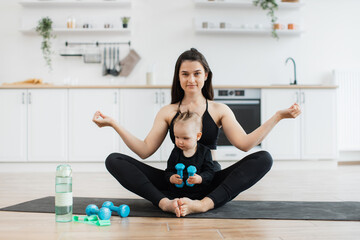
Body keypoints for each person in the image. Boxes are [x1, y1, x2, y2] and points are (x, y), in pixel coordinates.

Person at [93, 48, 301, 217]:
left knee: (264, 158)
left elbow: (245, 144)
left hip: (209, 183)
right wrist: (114, 124)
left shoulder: (219, 110)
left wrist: (278, 116)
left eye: (197, 73)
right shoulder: (168, 111)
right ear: (178, 77)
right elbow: (145, 150)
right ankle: (165, 203)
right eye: (185, 74)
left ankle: (203, 205)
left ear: (206, 76)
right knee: (114, 160)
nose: (191, 79)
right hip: (173, 182)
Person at [165, 110, 215, 196]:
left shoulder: (204, 152)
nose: (180, 142)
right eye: (177, 137)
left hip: (199, 192)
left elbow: (210, 172)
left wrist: (200, 178)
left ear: (198, 136)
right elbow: (169, 170)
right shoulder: (176, 152)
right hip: (177, 192)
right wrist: (171, 178)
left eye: (185, 138)